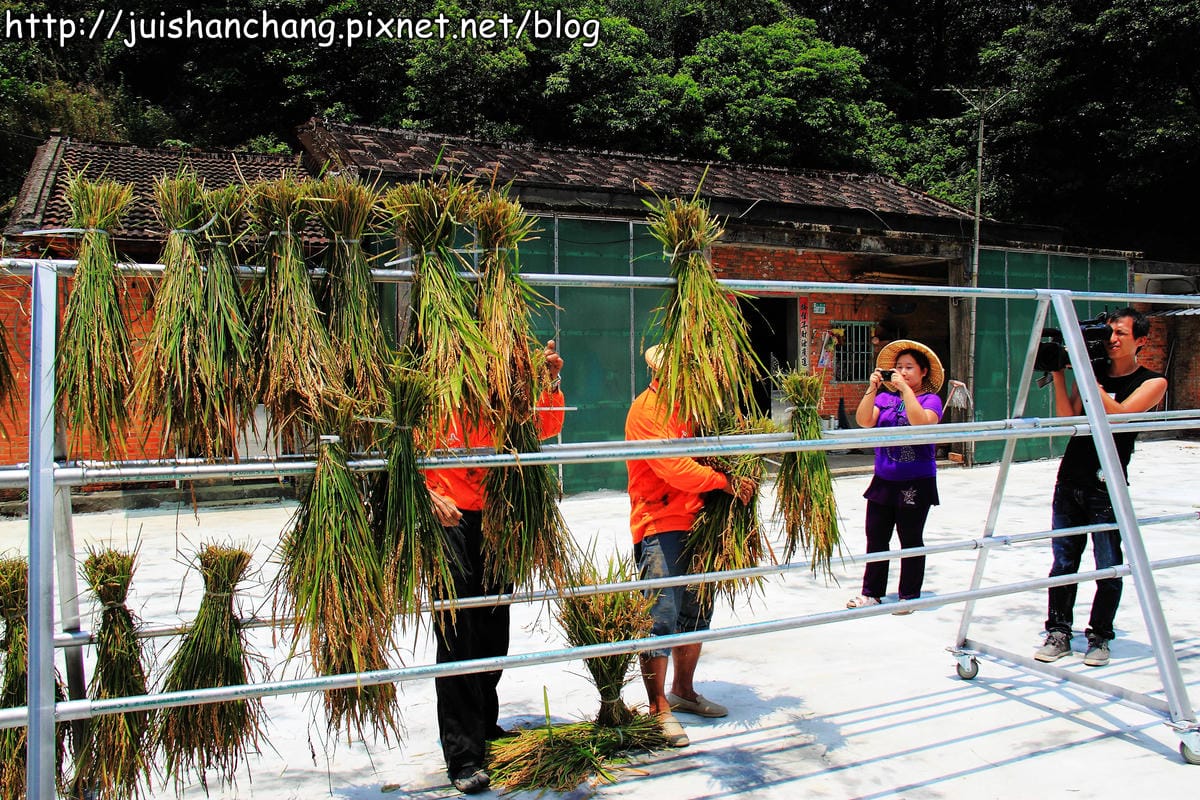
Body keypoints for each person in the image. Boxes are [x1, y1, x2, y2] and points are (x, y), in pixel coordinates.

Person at [425, 341, 565, 795]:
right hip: (449, 522)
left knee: (492, 630)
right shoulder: (432, 396)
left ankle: (485, 726)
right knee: (457, 636)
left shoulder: (502, 397)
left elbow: (547, 426)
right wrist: (428, 497)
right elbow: (401, 461)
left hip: (496, 520)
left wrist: (548, 382)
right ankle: (463, 755)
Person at [625, 344, 755, 748]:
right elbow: (676, 468)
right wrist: (725, 482)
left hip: (699, 523)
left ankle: (684, 690)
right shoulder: (647, 410)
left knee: (697, 611)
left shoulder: (698, 410)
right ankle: (658, 708)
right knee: (659, 616)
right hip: (659, 523)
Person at [1034, 308, 1166, 667]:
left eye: (1121, 333)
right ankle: (1059, 631)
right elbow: (1068, 418)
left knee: (1108, 563)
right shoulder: (1092, 373)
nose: (1112, 339)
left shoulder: (1153, 382)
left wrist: (1086, 372)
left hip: (1106, 483)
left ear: (1140, 340)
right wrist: (1061, 375)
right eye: (1108, 332)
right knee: (1063, 561)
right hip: (1071, 477)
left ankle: (1100, 636)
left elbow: (1118, 416)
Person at [847, 339, 945, 613]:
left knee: (910, 537)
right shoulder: (885, 399)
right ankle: (872, 592)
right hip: (884, 478)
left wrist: (905, 390)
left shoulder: (930, 400)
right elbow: (865, 420)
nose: (902, 372)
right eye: (898, 367)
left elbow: (920, 422)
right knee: (876, 536)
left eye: (909, 367)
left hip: (915, 480)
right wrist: (872, 388)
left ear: (923, 371)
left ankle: (909, 595)